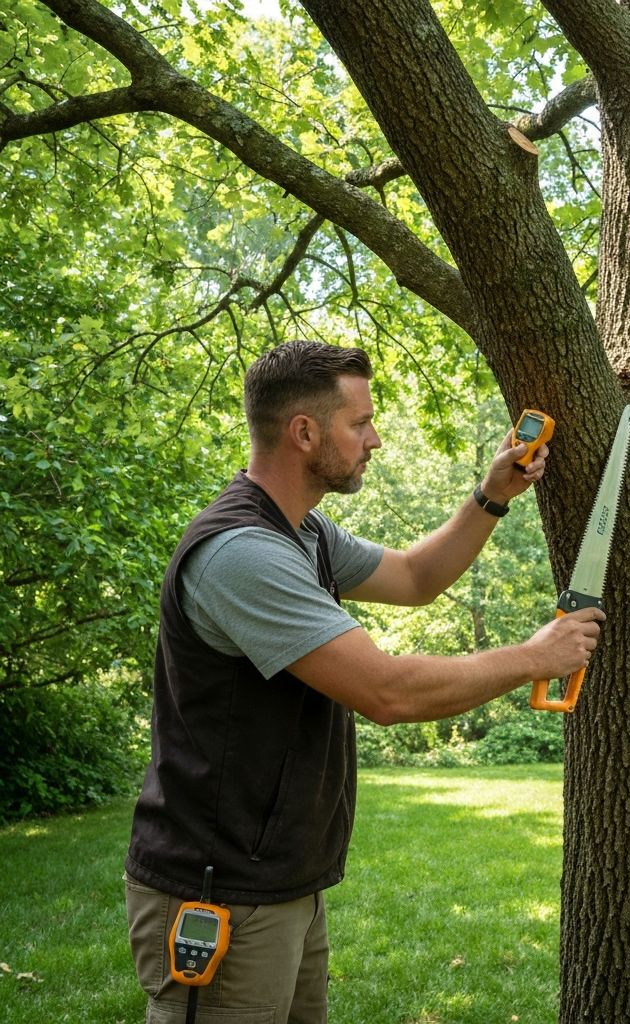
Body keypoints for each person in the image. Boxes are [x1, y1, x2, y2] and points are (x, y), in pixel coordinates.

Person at [124, 340, 604, 1023]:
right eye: (360, 423)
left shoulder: (305, 534)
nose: (374, 439)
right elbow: (388, 692)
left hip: (280, 879)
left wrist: (492, 495)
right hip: (218, 887)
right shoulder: (242, 554)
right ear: (304, 432)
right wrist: (533, 657)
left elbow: (414, 577)